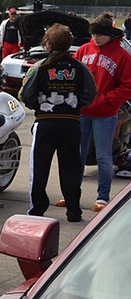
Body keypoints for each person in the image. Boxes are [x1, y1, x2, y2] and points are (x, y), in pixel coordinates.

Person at [20, 24, 96, 221]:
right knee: (71, 167)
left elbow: (26, 94)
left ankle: (37, 210)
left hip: (45, 123)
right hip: (71, 123)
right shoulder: (79, 67)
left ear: (47, 44)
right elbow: (91, 93)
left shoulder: (39, 67)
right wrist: (75, 105)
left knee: (39, 168)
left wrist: (39, 105)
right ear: (69, 44)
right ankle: (73, 211)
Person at [68, 13, 131, 211]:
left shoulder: (122, 56)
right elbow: (72, 74)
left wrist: (107, 100)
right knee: (78, 153)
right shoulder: (84, 50)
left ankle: (102, 197)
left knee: (104, 156)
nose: (95, 38)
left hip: (106, 114)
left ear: (110, 35)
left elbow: (127, 86)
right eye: (93, 35)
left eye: (99, 35)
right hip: (83, 111)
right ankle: (71, 194)